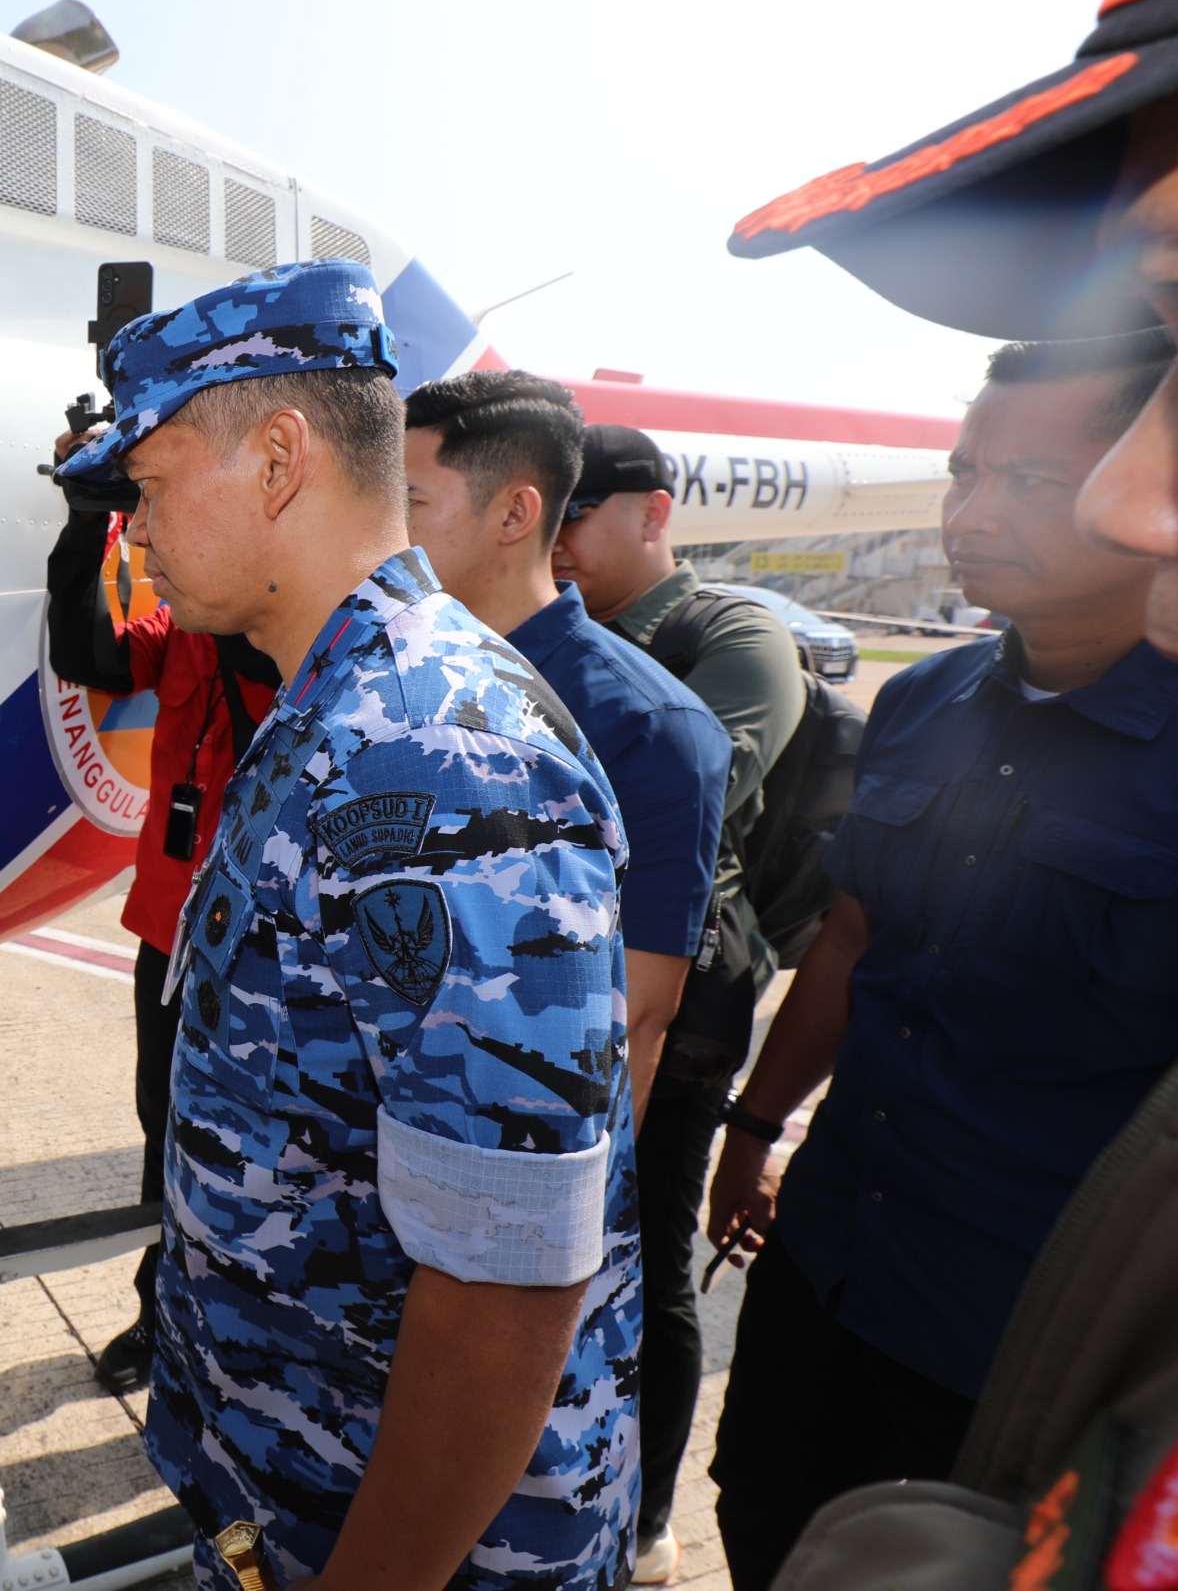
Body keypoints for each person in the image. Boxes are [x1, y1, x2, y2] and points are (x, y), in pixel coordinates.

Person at [56, 259, 639, 1589]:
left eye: (144, 485)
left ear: (276, 460)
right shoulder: (333, 702)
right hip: (302, 1493)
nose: (130, 529)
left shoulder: (431, 749)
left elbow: (503, 1281)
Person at [692, 330, 1178, 1588]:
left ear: (1160, 495)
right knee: (767, 1510)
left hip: (1027, 1324)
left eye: (1028, 482)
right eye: (962, 468)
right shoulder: (923, 700)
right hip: (834, 1251)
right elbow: (855, 936)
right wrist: (753, 1127)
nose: (969, 512)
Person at [402, 373, 731, 1586]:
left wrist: (544, 1294)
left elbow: (633, 1023)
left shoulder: (644, 725)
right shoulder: (398, 687)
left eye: (411, 498)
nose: (383, 528)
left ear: (510, 512)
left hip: (522, 1234)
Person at [547, 422, 804, 1577]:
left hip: (682, 993)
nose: (554, 540)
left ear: (651, 511)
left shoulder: (731, 631)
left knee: (643, 1254)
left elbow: (691, 787)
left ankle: (641, 1520)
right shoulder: (556, 631)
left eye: (576, 515)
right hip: (558, 979)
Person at [42, 464, 279, 1396]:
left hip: (266, 942)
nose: (148, 539)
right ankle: (161, 1313)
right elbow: (86, 654)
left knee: (261, 1142)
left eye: (158, 517)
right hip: (172, 930)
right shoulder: (181, 627)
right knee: (165, 1125)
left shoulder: (301, 637)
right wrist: (83, 521)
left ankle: (244, 1332)